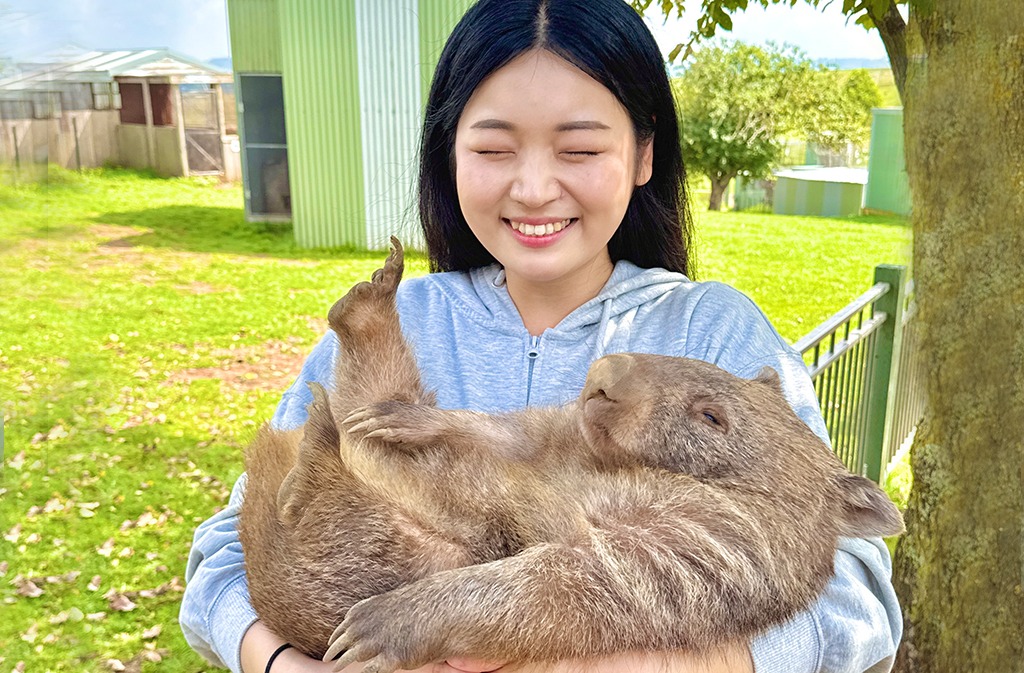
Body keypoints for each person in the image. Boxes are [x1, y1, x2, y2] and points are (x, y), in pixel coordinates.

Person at [180, 0, 902, 671]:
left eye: (579, 150)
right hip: (365, 559)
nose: (533, 189)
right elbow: (222, 556)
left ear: (644, 154)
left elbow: (855, 596)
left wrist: (621, 661)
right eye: (494, 149)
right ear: (449, 153)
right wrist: (281, 663)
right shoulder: (410, 312)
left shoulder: (713, 328)